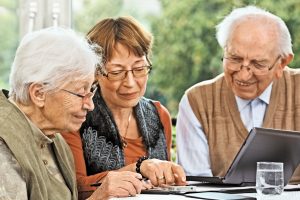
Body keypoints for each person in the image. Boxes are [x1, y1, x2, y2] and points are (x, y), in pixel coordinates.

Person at [0, 27, 146, 200]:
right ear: (39, 93)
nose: (90, 105)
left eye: (90, 90)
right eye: (80, 93)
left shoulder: (56, 140)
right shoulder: (4, 147)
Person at [61, 16, 186, 199]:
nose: (130, 82)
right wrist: (139, 168)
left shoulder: (159, 115)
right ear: (96, 72)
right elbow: (74, 188)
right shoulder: (77, 115)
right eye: (117, 72)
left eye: (139, 69)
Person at [176, 5, 300, 183]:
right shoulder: (197, 101)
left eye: (258, 64)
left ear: (282, 63)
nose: (243, 75)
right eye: (234, 59)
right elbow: (196, 184)